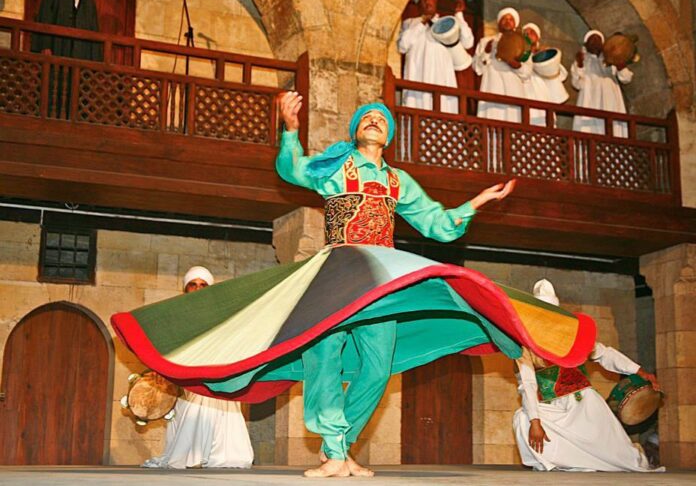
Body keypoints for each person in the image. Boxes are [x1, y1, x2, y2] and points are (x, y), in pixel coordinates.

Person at [112, 95, 597, 478]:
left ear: (388, 136)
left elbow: (438, 225)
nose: (374, 122)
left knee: (378, 367)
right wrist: (289, 128)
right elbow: (292, 169)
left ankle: (340, 449)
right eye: (367, 118)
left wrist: (477, 202)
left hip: (380, 279)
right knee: (323, 356)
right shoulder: (337, 168)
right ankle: (334, 452)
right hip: (336, 273)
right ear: (356, 130)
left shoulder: (398, 181)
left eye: (382, 120)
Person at [513, 278, 664, 473]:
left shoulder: (572, 334)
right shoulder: (524, 345)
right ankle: (554, 463)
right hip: (553, 408)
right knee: (522, 418)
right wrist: (535, 421)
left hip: (583, 403)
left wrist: (638, 370)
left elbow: (604, 354)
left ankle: (636, 457)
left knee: (622, 456)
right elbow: (527, 384)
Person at [142, 266, 254, 470]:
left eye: (203, 285)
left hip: (216, 368)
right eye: (193, 284)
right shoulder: (176, 315)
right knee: (188, 409)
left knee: (218, 406)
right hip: (187, 371)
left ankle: (217, 454)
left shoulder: (221, 313)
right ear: (186, 289)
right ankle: (190, 454)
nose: (198, 288)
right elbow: (168, 344)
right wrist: (162, 368)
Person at [397, 0, 474, 114]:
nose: (427, 2)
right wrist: (423, 22)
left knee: (444, 107)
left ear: (435, 1)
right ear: (418, 6)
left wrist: (459, 16)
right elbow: (402, 46)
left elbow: (468, 42)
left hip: (442, 75)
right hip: (419, 76)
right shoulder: (410, 23)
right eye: (423, 1)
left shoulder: (447, 22)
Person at [473, 7, 533, 123]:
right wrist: (486, 52)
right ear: (499, 23)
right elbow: (477, 68)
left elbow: (527, 73)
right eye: (504, 19)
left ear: (515, 24)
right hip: (492, 86)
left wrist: (516, 65)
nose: (507, 22)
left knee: (513, 121)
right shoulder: (486, 41)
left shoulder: (523, 43)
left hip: (514, 89)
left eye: (511, 19)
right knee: (492, 119)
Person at [571, 30, 632, 137]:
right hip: (590, 101)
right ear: (586, 44)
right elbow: (576, 84)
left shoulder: (611, 58)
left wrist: (619, 64)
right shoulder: (582, 60)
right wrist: (580, 65)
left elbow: (626, 78)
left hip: (611, 101)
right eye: (592, 40)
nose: (595, 42)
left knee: (613, 129)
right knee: (590, 130)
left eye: (598, 40)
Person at [521, 23, 569, 127]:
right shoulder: (518, 55)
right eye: (525, 33)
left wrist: (543, 58)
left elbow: (559, 75)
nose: (528, 35)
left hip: (542, 95)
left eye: (531, 32)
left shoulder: (545, 53)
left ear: (537, 37)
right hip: (525, 94)